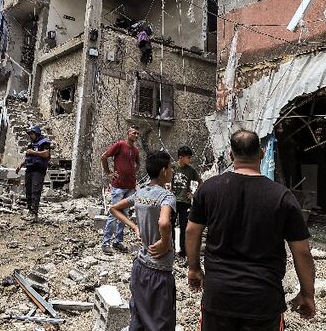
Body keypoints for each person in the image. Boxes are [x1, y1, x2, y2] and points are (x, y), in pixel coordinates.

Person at [186, 129, 315, 331]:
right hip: (263, 300)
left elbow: (191, 231)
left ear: (231, 154)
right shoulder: (282, 196)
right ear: (262, 153)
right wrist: (307, 294)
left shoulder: (209, 189)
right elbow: (302, 252)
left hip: (219, 297)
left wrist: (193, 269)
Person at [110, 150, 177, 331]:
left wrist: (135, 227)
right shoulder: (166, 196)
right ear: (164, 170)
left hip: (140, 267)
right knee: (160, 323)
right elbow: (164, 222)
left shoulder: (141, 193)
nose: (172, 171)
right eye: (171, 168)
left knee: (138, 319)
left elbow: (114, 208)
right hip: (160, 270)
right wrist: (164, 241)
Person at [100, 126, 141, 255]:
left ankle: (118, 241)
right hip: (118, 186)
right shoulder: (120, 145)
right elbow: (104, 157)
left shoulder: (135, 150)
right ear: (128, 133)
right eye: (134, 133)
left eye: (138, 134)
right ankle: (106, 242)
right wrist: (109, 173)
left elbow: (138, 163)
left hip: (130, 187)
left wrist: (133, 172)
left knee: (124, 215)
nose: (136, 135)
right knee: (114, 213)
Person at [16, 125, 52, 222]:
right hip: (30, 168)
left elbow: (46, 154)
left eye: (31, 134)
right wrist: (21, 165)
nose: (30, 136)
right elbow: (28, 157)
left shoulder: (44, 142)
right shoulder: (31, 144)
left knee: (35, 191)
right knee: (28, 191)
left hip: (39, 169)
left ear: (37, 133)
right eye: (29, 134)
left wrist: (33, 152)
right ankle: (30, 211)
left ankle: (34, 213)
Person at [170, 145, 200, 258]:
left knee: (184, 227)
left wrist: (194, 194)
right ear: (181, 157)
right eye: (188, 157)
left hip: (185, 202)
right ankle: (171, 249)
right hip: (173, 201)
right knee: (171, 226)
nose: (190, 160)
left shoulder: (191, 170)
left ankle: (183, 251)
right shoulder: (173, 168)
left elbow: (200, 182)